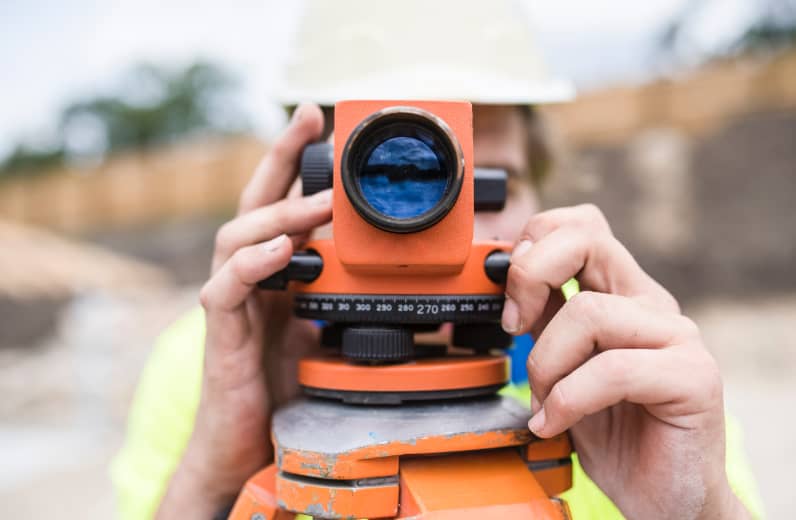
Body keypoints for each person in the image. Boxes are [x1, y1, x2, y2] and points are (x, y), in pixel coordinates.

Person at [111, 2, 764, 519]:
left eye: (486, 180)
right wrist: (214, 476)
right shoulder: (201, 365)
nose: (434, 224)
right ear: (304, 177)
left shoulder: (624, 366)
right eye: (388, 177)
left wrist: (701, 515)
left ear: (537, 186)